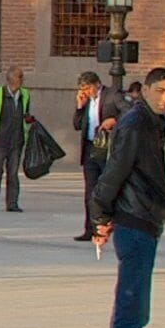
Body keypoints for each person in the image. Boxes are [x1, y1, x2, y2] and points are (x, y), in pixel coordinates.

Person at [90, 67, 165, 328]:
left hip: (145, 220)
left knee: (136, 308)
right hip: (135, 221)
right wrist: (101, 216)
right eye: (160, 90)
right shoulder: (136, 124)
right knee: (131, 307)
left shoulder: (152, 124)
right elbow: (114, 172)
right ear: (147, 89)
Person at [68, 73, 110, 245]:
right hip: (90, 148)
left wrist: (113, 120)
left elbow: (127, 113)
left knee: (107, 190)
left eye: (87, 88)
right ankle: (90, 229)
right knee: (90, 192)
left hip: (106, 148)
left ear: (97, 84)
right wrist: (79, 106)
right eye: (82, 89)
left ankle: (106, 226)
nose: (85, 92)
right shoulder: (86, 102)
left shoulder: (111, 95)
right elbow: (77, 125)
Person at [0, 70, 31, 212]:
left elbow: (26, 113)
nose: (22, 79)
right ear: (11, 79)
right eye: (20, 76)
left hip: (16, 140)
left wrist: (28, 119)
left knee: (13, 173)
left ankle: (12, 203)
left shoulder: (25, 95)